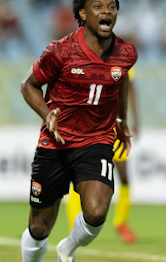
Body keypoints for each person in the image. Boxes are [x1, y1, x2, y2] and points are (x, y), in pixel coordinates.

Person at [20, 0, 137, 262]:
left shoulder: (126, 53)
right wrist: (47, 114)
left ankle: (67, 248)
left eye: (111, 7)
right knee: (39, 226)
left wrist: (120, 118)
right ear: (83, 14)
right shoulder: (61, 51)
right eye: (98, 7)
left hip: (97, 140)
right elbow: (28, 85)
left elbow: (121, 80)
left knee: (96, 213)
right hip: (56, 142)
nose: (106, 11)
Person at [65, 67, 139, 244]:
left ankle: (121, 222)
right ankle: (74, 226)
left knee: (124, 176)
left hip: (115, 127)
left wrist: (135, 120)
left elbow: (131, 89)